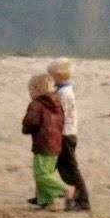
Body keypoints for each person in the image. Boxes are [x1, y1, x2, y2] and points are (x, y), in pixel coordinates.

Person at [21, 73, 71, 211]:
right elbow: (62, 121)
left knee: (41, 175)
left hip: (43, 144)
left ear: (37, 90)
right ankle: (49, 202)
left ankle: (65, 190)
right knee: (45, 173)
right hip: (55, 143)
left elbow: (30, 122)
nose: (30, 94)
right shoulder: (56, 103)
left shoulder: (36, 104)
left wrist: (26, 128)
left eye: (30, 90)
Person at [49, 58, 91, 211]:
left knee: (70, 170)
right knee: (52, 167)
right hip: (64, 134)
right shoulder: (62, 91)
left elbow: (60, 115)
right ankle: (46, 196)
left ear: (58, 75)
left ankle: (82, 200)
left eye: (51, 75)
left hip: (65, 135)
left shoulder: (64, 93)